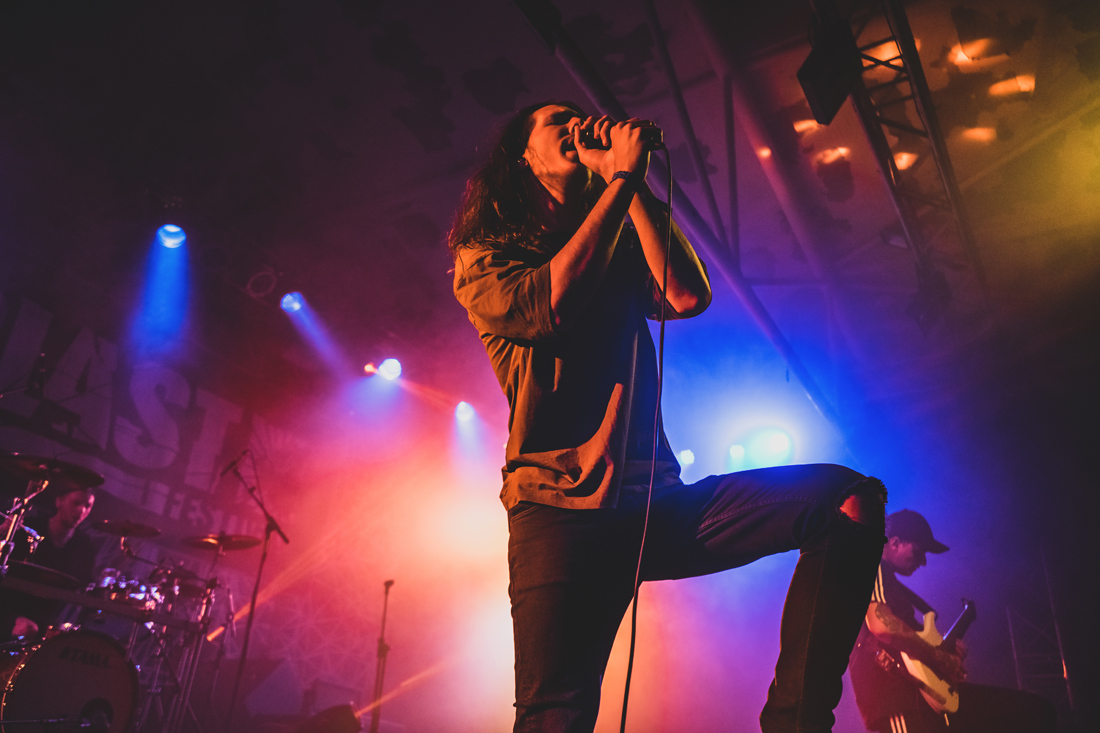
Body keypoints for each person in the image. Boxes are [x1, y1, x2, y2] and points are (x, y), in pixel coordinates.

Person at [449, 99, 888, 733]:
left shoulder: (617, 230)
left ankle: (796, 722)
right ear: (522, 155)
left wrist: (630, 184)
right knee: (556, 716)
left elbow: (686, 294)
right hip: (558, 511)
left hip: (654, 502)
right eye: (556, 120)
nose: (576, 125)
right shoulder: (485, 257)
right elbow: (551, 308)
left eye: (579, 115)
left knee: (847, 500)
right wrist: (620, 181)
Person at [848, 509, 1057, 732]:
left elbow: (906, 635)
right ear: (895, 543)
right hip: (897, 699)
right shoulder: (871, 565)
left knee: (1034, 710)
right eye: (918, 552)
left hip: (921, 698)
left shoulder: (891, 585)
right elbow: (881, 625)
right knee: (1033, 711)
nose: (923, 561)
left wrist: (942, 647)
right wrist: (941, 658)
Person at [1, 484, 97, 640]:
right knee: (27, 629)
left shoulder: (85, 546)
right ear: (59, 501)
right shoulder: (28, 528)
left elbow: (85, 585)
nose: (81, 510)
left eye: (88, 506)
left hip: (45, 617)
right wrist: (3, 530)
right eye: (76, 503)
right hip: (7, 605)